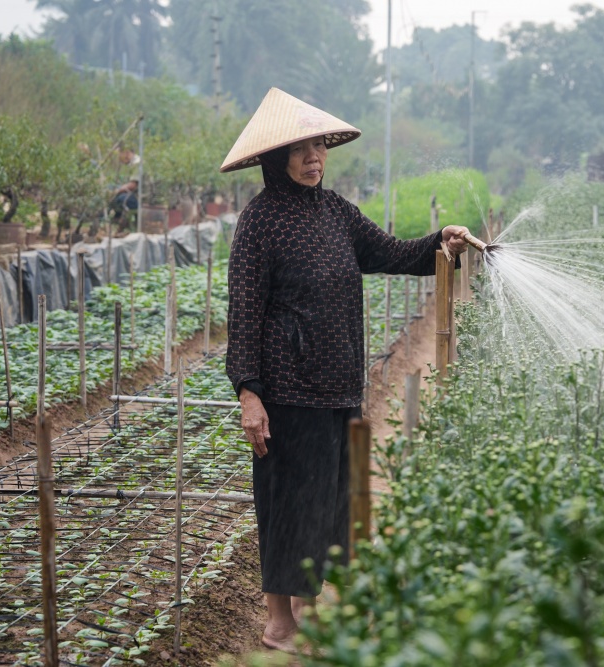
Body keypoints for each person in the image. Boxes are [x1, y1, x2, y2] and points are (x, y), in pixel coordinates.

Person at [222, 88, 470, 652]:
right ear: (275, 158)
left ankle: (314, 610)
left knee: (332, 499)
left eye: (320, 147)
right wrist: (249, 393)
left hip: (338, 385)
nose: (315, 157)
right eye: (303, 149)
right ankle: (279, 620)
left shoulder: (335, 212)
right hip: (287, 391)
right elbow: (244, 312)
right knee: (288, 499)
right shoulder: (260, 223)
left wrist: (441, 243)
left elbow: (390, 253)